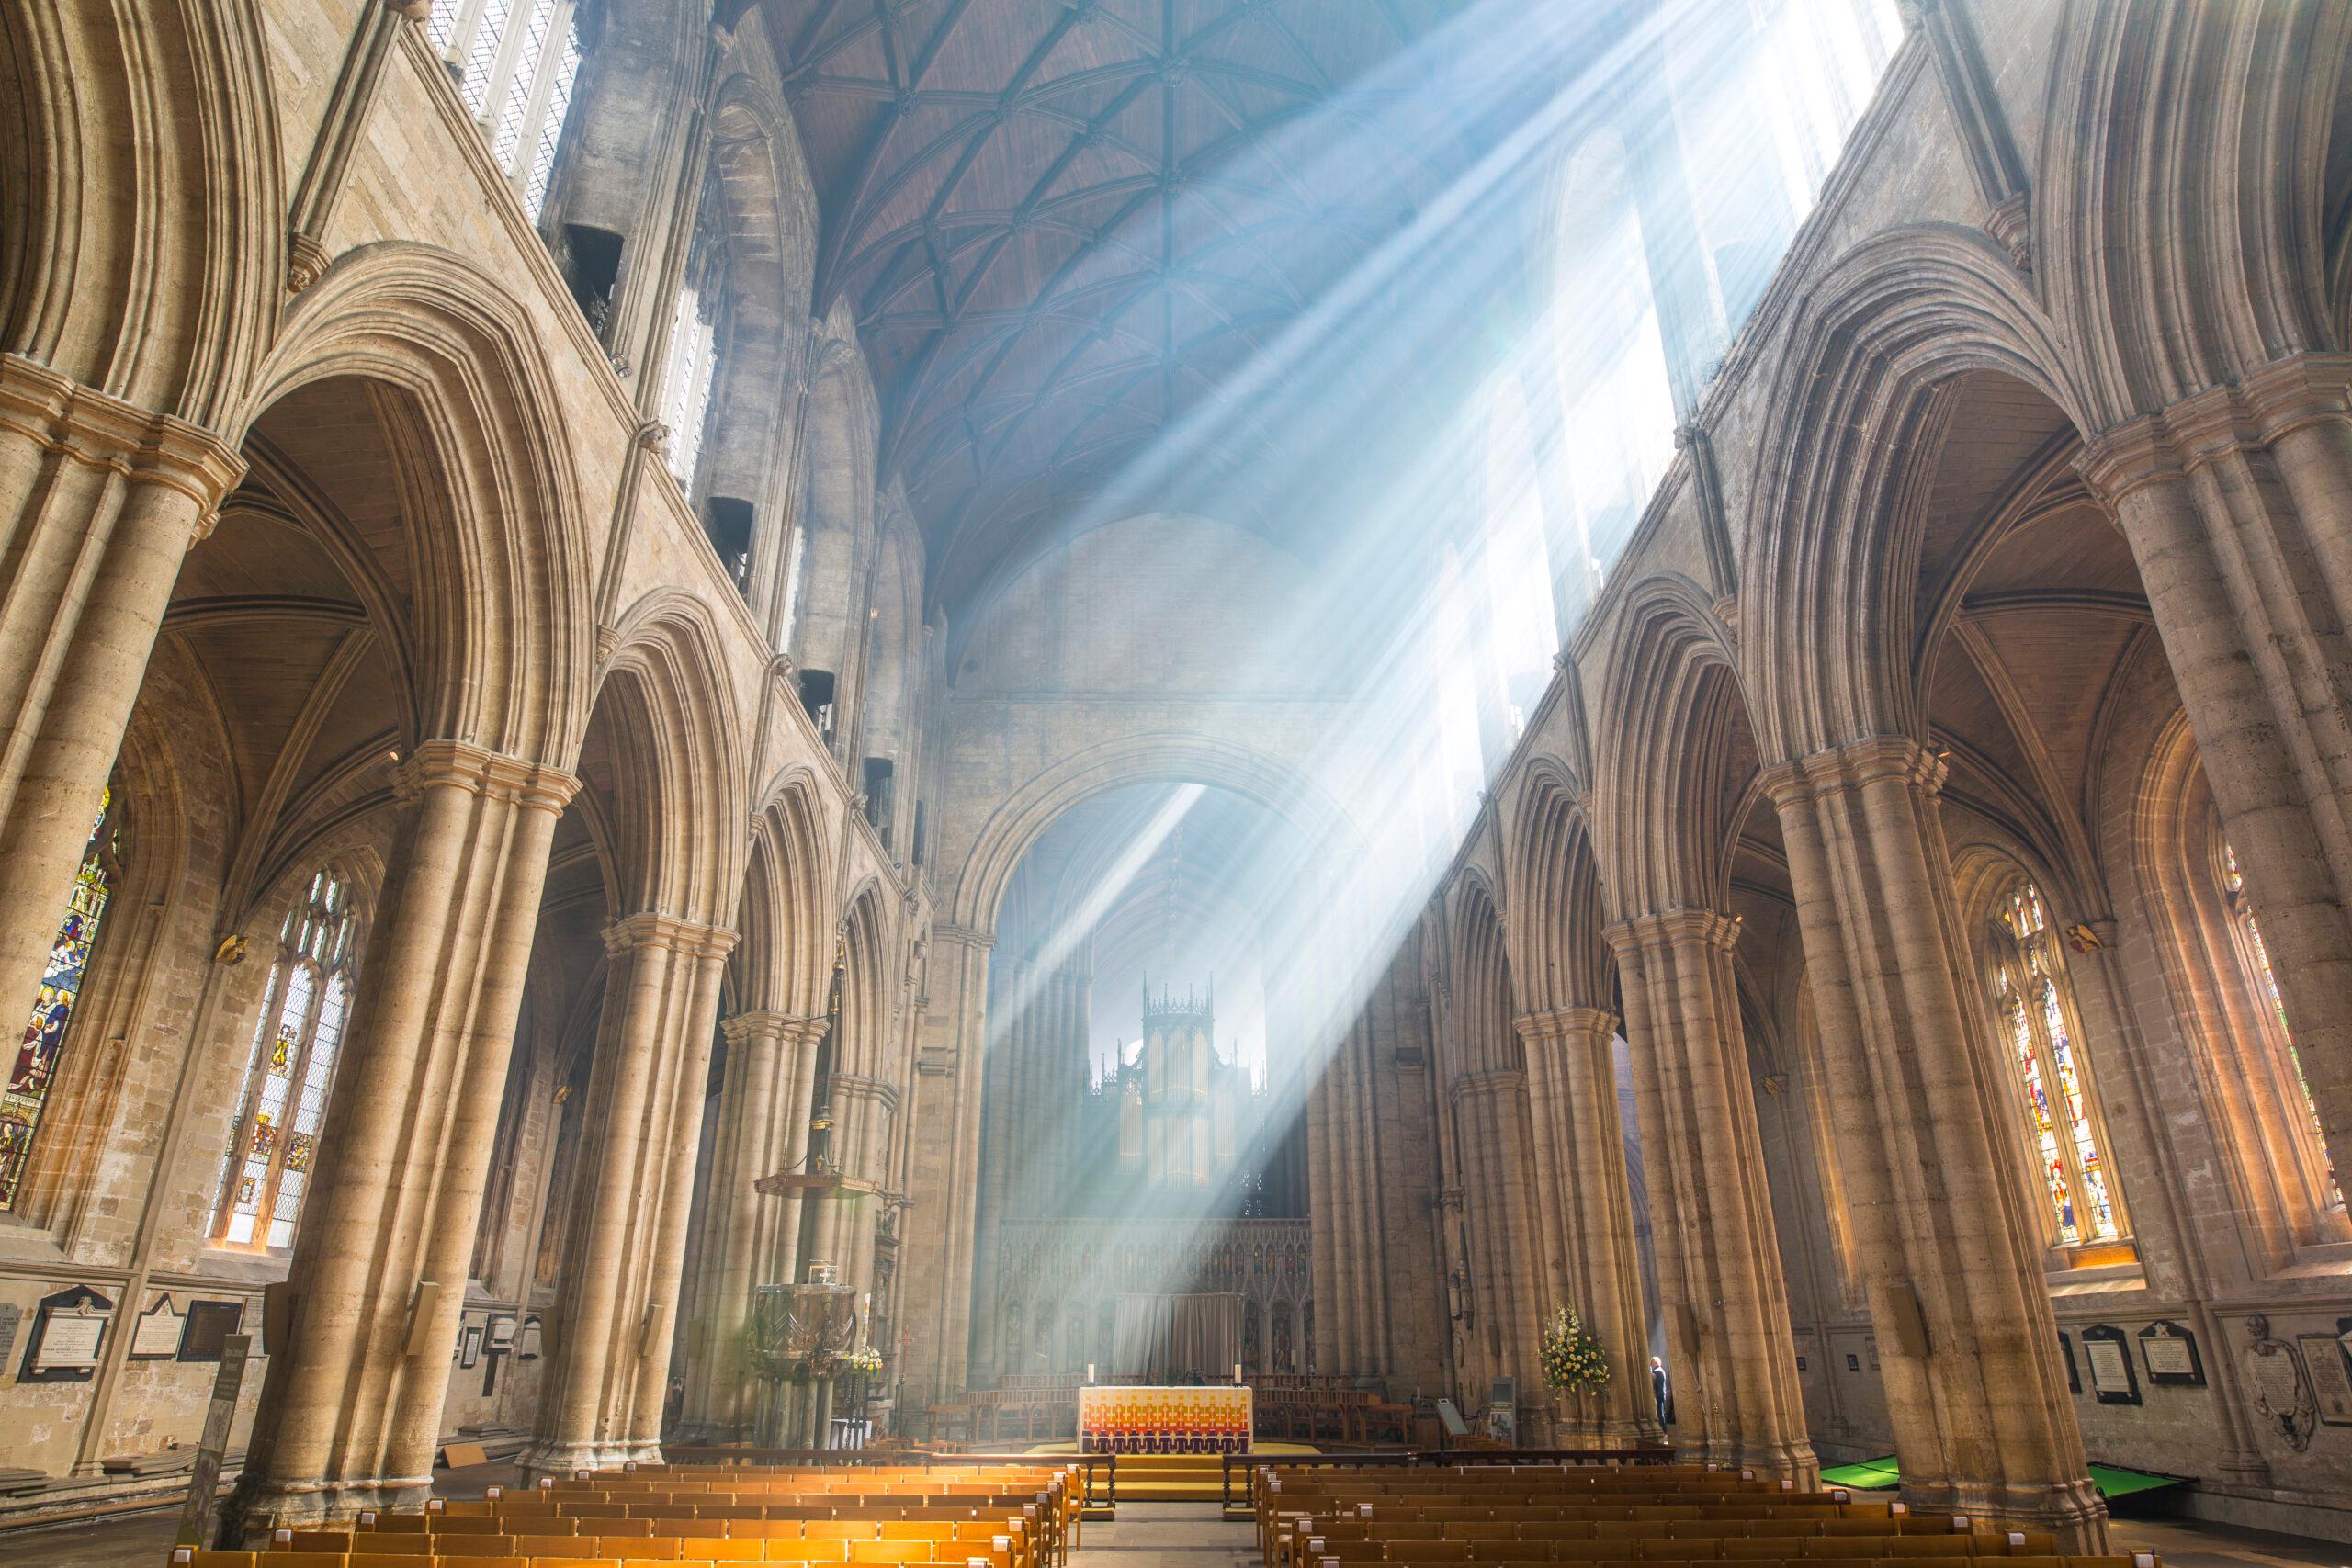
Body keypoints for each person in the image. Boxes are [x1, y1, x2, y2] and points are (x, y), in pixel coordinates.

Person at [1650, 1356, 1673, 1427]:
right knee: (1661, 1413)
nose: (1650, 1364)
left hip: (1658, 1395)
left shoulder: (1657, 1372)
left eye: (1651, 1362)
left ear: (1654, 1363)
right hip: (1661, 1394)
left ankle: (1662, 1429)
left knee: (1660, 1413)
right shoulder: (1660, 1370)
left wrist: (1657, 1396)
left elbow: (1658, 1385)